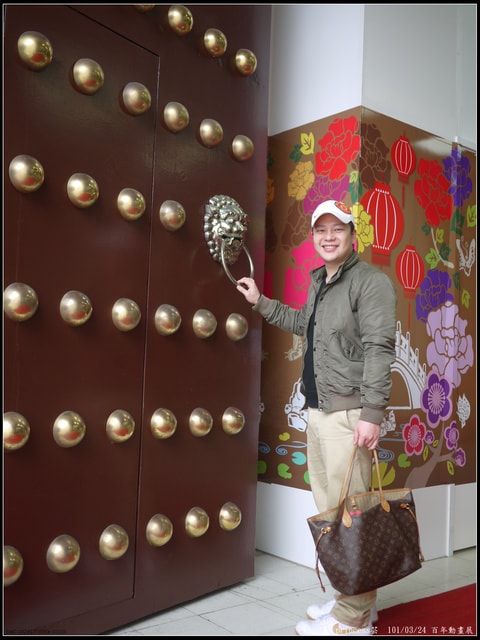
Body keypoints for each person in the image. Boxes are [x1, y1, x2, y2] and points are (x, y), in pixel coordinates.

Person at [236, 200, 397, 636]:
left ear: (352, 236)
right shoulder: (321, 283)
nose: (328, 237)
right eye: (321, 229)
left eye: (337, 229)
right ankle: (354, 599)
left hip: (349, 417)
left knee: (351, 514)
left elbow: (380, 349)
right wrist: (259, 302)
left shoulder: (370, 282)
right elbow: (301, 323)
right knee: (332, 514)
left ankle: (353, 619)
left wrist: (372, 414)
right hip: (320, 412)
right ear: (313, 237)